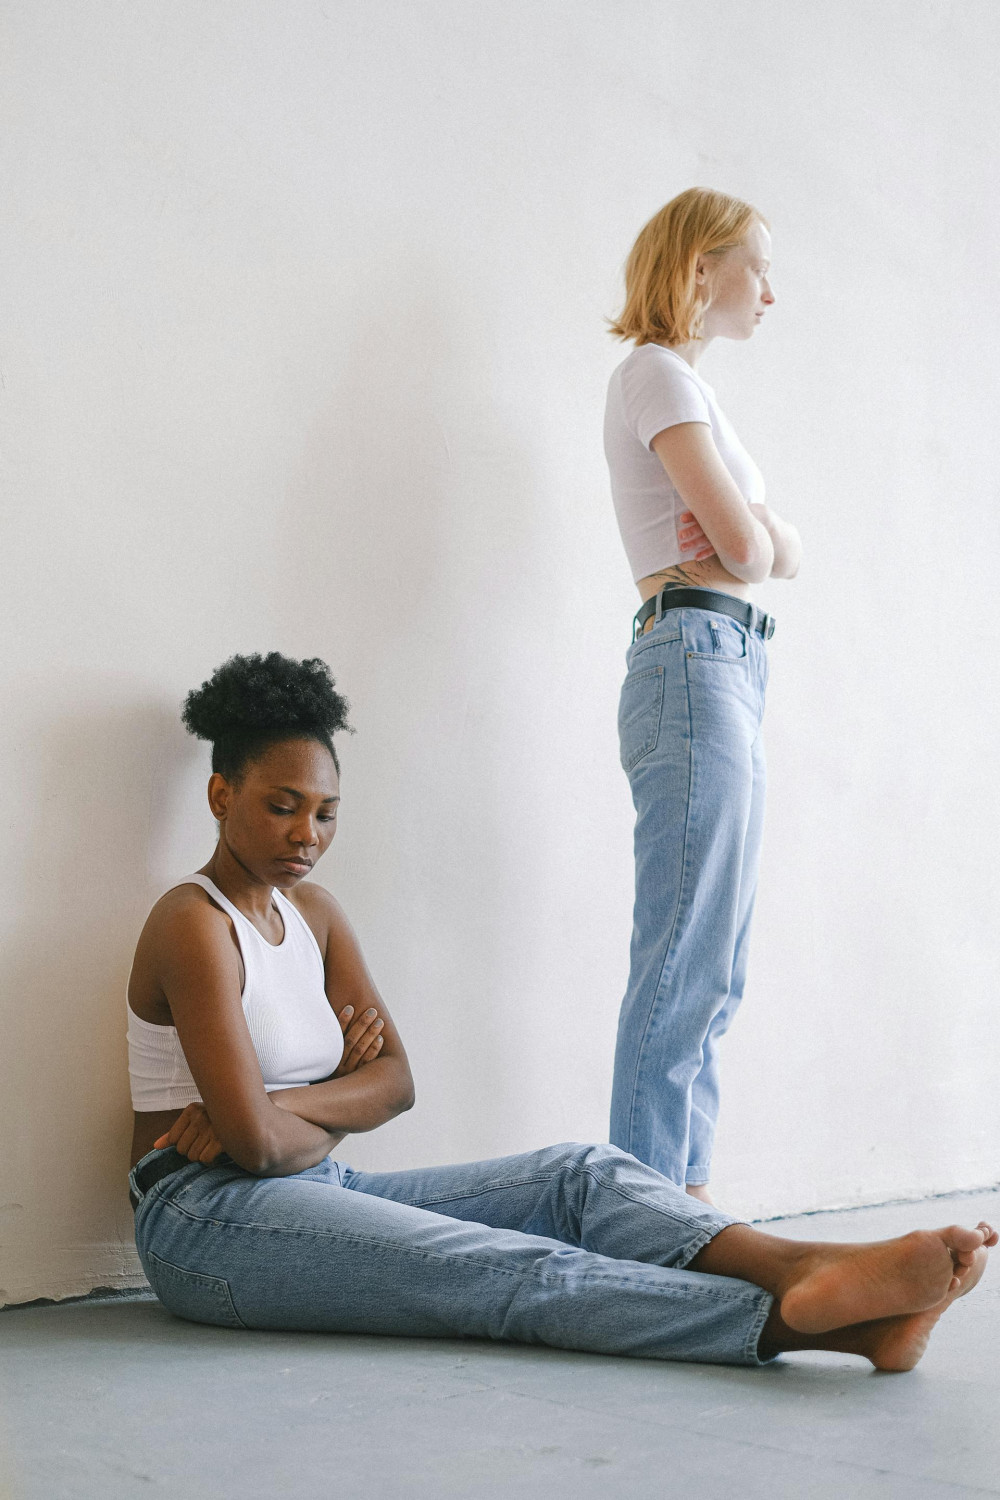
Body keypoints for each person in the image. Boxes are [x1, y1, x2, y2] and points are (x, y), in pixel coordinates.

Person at [127, 652, 995, 1371]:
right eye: (281, 807)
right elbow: (256, 1150)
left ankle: (805, 1269)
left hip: (318, 1188)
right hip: (202, 1225)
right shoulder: (193, 923)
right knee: (502, 1268)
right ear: (221, 796)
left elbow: (395, 1085)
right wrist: (294, 1116)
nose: (306, 834)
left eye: (325, 814)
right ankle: (809, 1326)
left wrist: (278, 1109)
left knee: (579, 1174)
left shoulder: (316, 915)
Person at [605, 187, 802, 1198]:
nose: (770, 288)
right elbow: (748, 549)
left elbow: (772, 551)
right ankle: (647, 1209)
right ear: (698, 268)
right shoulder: (655, 374)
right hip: (693, 656)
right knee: (684, 956)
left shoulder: (689, 391)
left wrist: (762, 537)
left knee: (714, 962)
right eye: (756, 265)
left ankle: (683, 1195)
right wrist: (760, 536)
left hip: (726, 656)